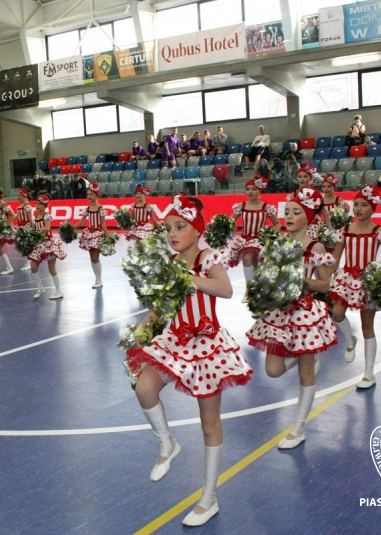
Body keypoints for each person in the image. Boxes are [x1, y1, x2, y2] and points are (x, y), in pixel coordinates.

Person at [127, 194, 253, 527]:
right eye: (168, 228)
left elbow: (225, 289)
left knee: (209, 424)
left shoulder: (207, 257)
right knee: (144, 388)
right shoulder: (170, 261)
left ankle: (209, 498)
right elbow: (162, 305)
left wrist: (190, 278)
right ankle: (167, 443)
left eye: (180, 227)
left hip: (207, 345)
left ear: (197, 230)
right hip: (174, 339)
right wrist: (143, 330)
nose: (172, 233)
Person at [246, 187, 337, 449]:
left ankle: (298, 428)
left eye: (296, 212)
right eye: (286, 211)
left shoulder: (315, 247)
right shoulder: (277, 243)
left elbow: (325, 284)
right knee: (273, 370)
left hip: (304, 314)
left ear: (308, 217)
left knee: (306, 373)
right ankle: (307, 355)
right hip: (279, 312)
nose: (288, 216)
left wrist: (298, 280)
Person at [330, 185, 381, 389]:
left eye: (364, 205)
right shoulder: (345, 230)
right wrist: (329, 274)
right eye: (356, 204)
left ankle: (369, 373)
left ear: (373, 208)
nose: (358, 208)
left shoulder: (379, 232)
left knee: (367, 325)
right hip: (347, 279)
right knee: (336, 312)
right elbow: (335, 258)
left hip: (368, 281)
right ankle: (350, 340)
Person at [228, 178, 280, 302]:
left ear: (259, 190)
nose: (250, 192)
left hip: (259, 239)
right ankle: (250, 290)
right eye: (247, 189)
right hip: (245, 239)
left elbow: (277, 224)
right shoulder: (241, 206)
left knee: (257, 263)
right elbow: (230, 221)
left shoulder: (266, 207)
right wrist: (225, 228)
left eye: (254, 189)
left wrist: (271, 234)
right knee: (247, 259)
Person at [27, 194, 67, 300]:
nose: (37, 205)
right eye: (36, 203)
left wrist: (35, 231)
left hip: (48, 244)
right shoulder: (36, 216)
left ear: (44, 205)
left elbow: (47, 228)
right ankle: (40, 288)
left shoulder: (47, 216)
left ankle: (58, 291)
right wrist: (29, 217)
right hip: (38, 244)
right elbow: (33, 227)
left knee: (51, 268)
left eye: (39, 204)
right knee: (33, 266)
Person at [76, 182, 108, 289]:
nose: (89, 196)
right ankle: (97, 278)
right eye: (88, 194)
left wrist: (107, 236)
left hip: (98, 234)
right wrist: (70, 227)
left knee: (95, 257)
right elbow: (81, 222)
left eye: (91, 194)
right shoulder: (87, 209)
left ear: (96, 195)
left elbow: (103, 224)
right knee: (92, 258)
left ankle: (99, 279)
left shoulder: (101, 209)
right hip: (89, 234)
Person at [15, 188, 35, 271]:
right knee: (23, 246)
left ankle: (28, 263)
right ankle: (28, 263)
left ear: (25, 196)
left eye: (19, 196)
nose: (18, 197)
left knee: (26, 245)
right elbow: (17, 217)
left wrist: (33, 229)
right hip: (21, 228)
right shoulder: (19, 207)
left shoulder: (27, 206)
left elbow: (30, 219)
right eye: (18, 196)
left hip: (26, 227)